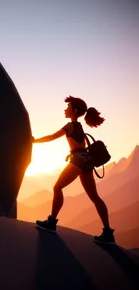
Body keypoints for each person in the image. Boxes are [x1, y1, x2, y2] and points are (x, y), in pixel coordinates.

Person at [32, 95, 115, 245]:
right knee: (95, 197)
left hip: (77, 161)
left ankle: (51, 222)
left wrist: (34, 141)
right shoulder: (79, 127)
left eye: (68, 107)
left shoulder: (70, 126)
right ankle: (108, 232)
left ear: (74, 110)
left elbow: (52, 137)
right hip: (86, 162)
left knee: (57, 187)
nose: (65, 109)